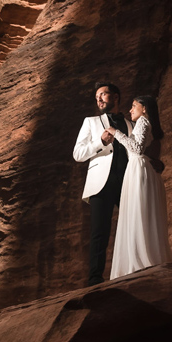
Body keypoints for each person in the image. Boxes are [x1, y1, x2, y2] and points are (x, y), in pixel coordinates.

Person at [105, 95, 172, 278]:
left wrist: (115, 132)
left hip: (139, 170)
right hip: (137, 169)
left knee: (138, 212)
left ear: (144, 109)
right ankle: (144, 258)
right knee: (139, 213)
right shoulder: (143, 124)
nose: (130, 110)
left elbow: (136, 149)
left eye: (134, 106)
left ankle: (140, 261)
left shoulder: (143, 121)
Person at [73, 82, 133, 285]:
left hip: (128, 180)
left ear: (115, 97)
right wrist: (100, 141)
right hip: (101, 182)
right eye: (96, 96)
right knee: (100, 231)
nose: (98, 99)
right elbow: (78, 154)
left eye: (103, 94)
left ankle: (131, 271)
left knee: (131, 226)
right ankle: (94, 279)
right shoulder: (90, 122)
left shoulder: (129, 123)